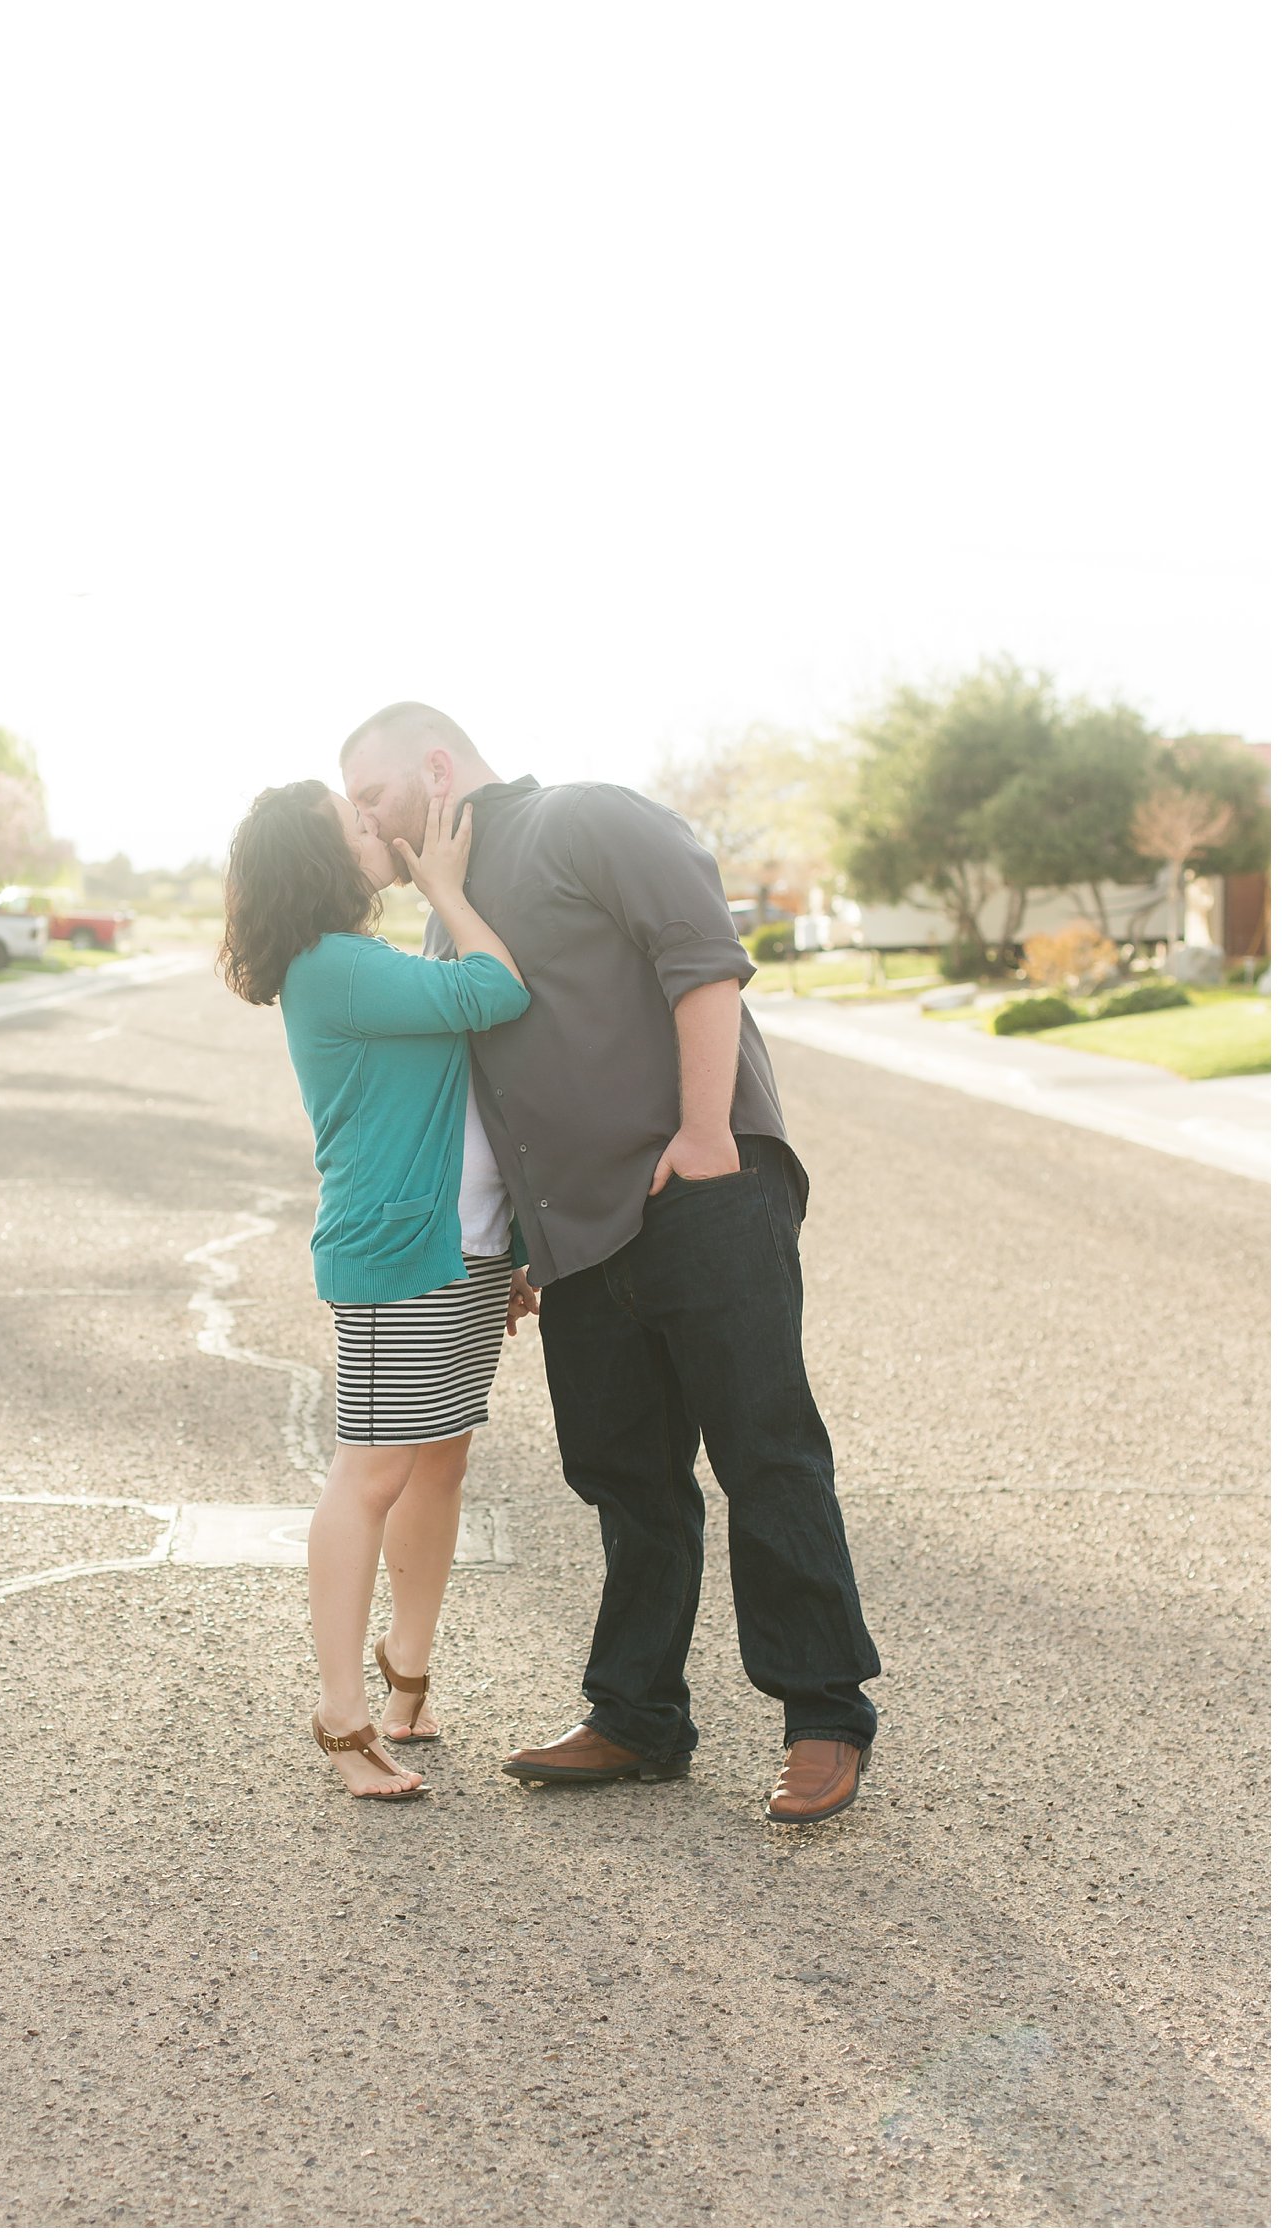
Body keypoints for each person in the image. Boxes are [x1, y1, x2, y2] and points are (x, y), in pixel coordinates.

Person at [341, 703, 881, 1827]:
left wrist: (702, 1138)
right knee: (625, 1476)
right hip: (578, 1237)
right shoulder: (446, 921)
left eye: (372, 794)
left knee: (765, 1449)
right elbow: (493, 1092)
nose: (364, 820)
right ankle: (637, 1714)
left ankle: (824, 1715)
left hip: (703, 1191)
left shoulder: (590, 819)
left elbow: (705, 965)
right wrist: (526, 1244)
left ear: (435, 768)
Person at [219, 779, 535, 1800]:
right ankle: (341, 1714)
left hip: (464, 1249)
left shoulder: (358, 962)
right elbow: (497, 991)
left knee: (438, 1463)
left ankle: (407, 1676)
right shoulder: (331, 968)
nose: (379, 827)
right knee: (373, 1474)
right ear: (320, 861)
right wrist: (446, 883)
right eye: (355, 824)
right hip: (400, 1257)